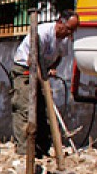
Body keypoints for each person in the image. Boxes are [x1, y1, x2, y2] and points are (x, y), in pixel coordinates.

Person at [11, 10, 79, 157]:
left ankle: (42, 150)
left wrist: (53, 68)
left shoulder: (65, 39)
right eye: (68, 28)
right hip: (25, 69)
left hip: (42, 70)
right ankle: (24, 152)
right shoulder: (42, 33)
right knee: (25, 108)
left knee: (43, 111)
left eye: (73, 30)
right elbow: (32, 61)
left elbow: (59, 56)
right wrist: (42, 81)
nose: (69, 33)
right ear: (60, 22)